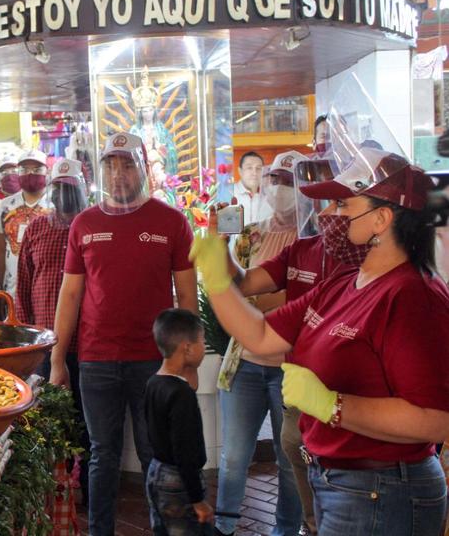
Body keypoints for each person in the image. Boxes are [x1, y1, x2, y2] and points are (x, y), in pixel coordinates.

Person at [191, 148, 449, 535]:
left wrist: (332, 405)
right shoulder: (343, 284)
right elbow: (259, 335)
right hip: (338, 483)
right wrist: (215, 276)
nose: (328, 215)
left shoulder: (412, 296)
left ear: (381, 218)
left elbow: (434, 421)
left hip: (384, 489)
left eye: (343, 204)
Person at [50, 132, 198, 536]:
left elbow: (187, 295)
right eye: (111, 164)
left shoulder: (171, 222)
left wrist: (188, 358)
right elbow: (71, 292)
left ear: (143, 168)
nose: (118, 173)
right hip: (96, 359)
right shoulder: (85, 224)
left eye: (128, 164)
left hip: (154, 359)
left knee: (155, 453)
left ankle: (160, 529)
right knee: (102, 455)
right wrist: (58, 358)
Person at [213, 152, 307, 536]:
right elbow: (238, 283)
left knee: (289, 460)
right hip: (246, 363)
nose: (280, 189)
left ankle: (287, 529)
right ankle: (224, 526)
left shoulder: (313, 239)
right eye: (275, 180)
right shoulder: (252, 233)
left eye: (288, 181)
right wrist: (219, 244)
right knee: (234, 456)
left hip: (293, 368)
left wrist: (265, 303)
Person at [15, 156, 90, 502]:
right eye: (58, 188)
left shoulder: (92, 227)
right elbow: (24, 285)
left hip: (88, 342)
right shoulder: (36, 229)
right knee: (47, 417)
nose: (63, 195)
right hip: (45, 344)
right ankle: (51, 488)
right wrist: (27, 338)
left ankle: (87, 487)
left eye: (70, 189)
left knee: (87, 419)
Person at [144, 308, 213, 536]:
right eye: (203, 341)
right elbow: (186, 452)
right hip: (177, 481)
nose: (204, 347)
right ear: (188, 347)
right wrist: (198, 500)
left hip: (156, 472)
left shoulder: (154, 382)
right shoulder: (182, 394)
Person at [0, 149, 51, 297]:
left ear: (47, 171)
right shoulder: (5, 206)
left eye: (37, 169)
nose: (30, 173)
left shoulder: (57, 204)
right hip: (13, 289)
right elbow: (0, 249)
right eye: (24, 169)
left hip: (48, 287)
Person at [233, 151, 272, 225]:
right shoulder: (229, 193)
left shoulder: (271, 197)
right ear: (240, 171)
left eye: (259, 168)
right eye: (249, 168)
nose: (254, 173)